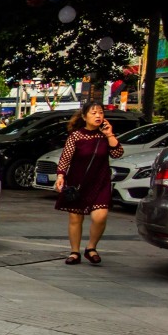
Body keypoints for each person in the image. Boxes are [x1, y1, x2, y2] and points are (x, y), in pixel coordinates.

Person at [53, 101, 124, 265]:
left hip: (100, 182)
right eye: (93, 113)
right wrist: (60, 176)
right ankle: (74, 252)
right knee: (75, 218)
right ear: (84, 117)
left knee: (100, 216)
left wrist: (110, 134)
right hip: (78, 182)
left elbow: (118, 153)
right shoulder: (76, 136)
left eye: (100, 112)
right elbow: (65, 158)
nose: (98, 115)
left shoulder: (104, 136)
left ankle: (91, 248)